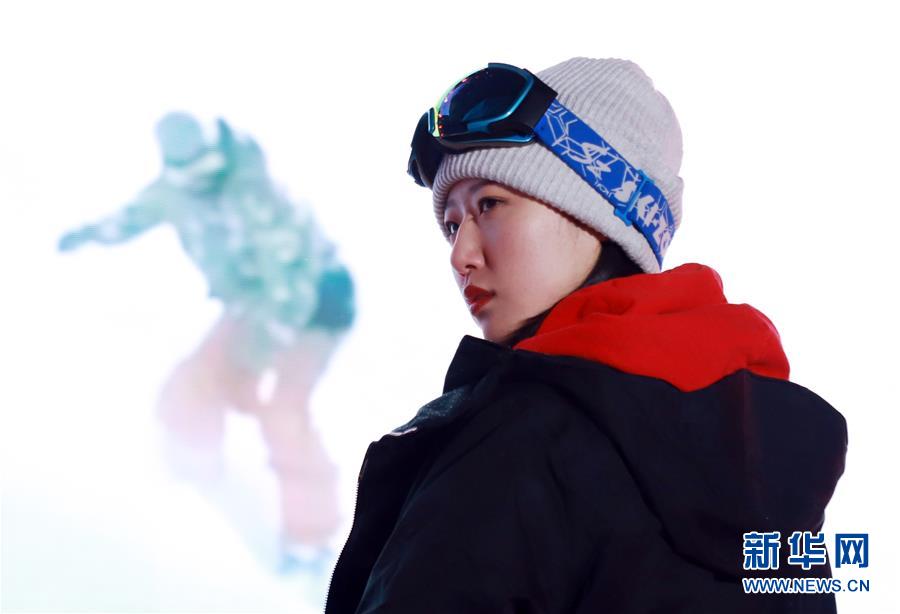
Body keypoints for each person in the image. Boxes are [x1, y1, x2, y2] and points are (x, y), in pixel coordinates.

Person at [324, 58, 847, 613]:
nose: (461, 256)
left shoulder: (519, 439)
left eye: (489, 204)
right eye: (452, 225)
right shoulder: (770, 471)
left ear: (598, 213)